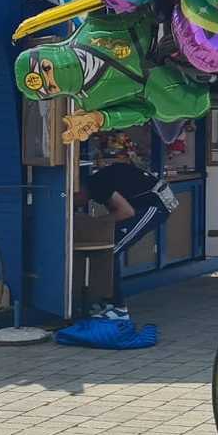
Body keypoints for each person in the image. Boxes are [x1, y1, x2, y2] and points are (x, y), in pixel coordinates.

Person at [78, 136, 176, 320]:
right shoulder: (98, 183)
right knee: (107, 247)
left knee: (109, 251)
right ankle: (106, 301)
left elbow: (126, 212)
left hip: (155, 204)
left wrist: (94, 224)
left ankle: (118, 308)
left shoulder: (99, 185)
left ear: (79, 190)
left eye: (74, 200)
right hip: (145, 202)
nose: (76, 204)